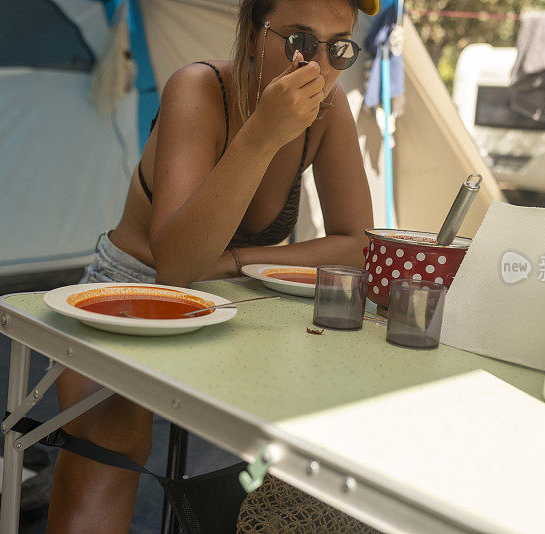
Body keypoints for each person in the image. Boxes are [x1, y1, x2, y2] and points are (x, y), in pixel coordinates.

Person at [47, 0, 377, 532]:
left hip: (244, 296)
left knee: (296, 443)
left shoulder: (328, 110)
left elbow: (358, 244)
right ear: (251, 35)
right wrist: (265, 133)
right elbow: (178, 265)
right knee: (109, 445)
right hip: (133, 286)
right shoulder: (198, 89)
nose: (317, 66)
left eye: (337, 47)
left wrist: (238, 262)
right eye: (297, 40)